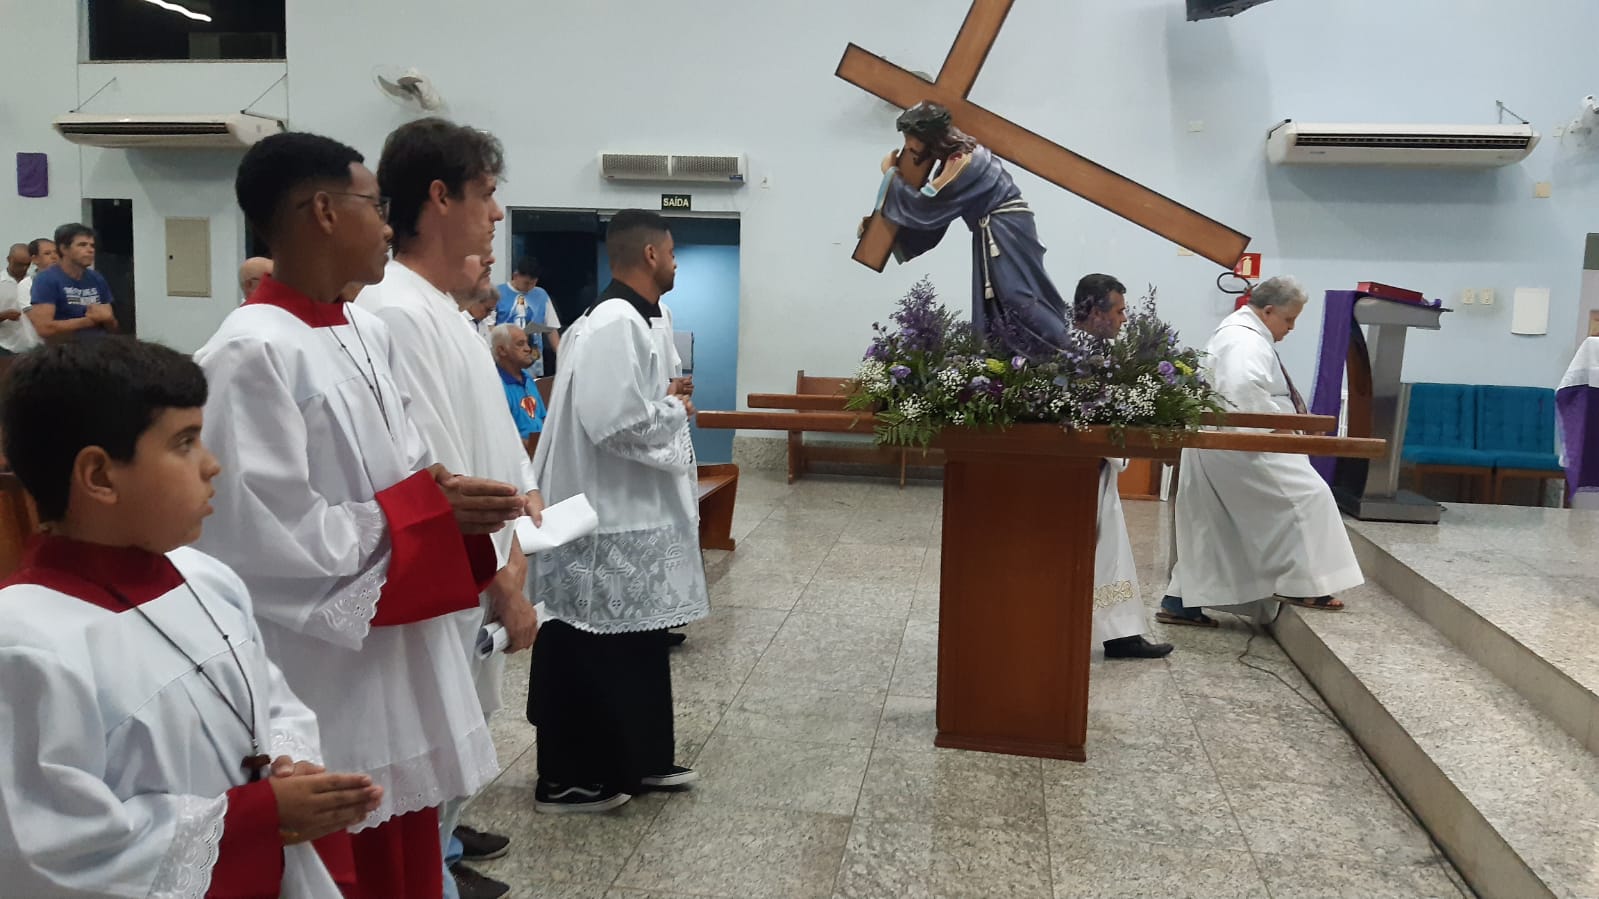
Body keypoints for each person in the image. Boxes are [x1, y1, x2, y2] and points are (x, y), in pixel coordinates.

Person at [194, 130, 527, 899]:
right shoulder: (250, 351)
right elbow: (262, 536)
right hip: (324, 676)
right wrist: (425, 512)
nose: (387, 225)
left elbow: (407, 465)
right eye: (375, 206)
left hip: (394, 660)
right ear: (322, 212)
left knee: (409, 857)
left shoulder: (363, 330)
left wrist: (447, 497)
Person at [0, 338, 384, 897]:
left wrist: (288, 761)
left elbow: (271, 702)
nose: (211, 464)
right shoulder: (24, 643)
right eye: (184, 442)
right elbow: (46, 852)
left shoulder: (205, 577)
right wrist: (255, 815)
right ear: (99, 476)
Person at [357, 116, 541, 899]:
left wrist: (518, 537)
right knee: (433, 745)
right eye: (486, 193)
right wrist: (503, 579)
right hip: (454, 574)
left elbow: (484, 435)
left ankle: (439, 860)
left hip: (483, 566)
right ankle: (430, 870)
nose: (496, 213)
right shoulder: (396, 310)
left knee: (456, 740)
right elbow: (435, 473)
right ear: (439, 196)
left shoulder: (438, 307)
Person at [528, 209, 708, 812]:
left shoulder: (645, 316)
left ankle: (640, 757)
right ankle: (568, 777)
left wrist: (668, 399)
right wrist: (675, 410)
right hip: (603, 512)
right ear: (651, 254)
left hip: (635, 508)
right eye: (673, 252)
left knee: (638, 641)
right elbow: (615, 421)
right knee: (590, 643)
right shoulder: (611, 322)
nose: (676, 263)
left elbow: (642, 397)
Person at [1159, 276, 1363, 626]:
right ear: (1268, 311)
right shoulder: (1243, 339)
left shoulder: (1242, 333)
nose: (1291, 328)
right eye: (1288, 319)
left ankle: (1180, 602)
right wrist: (1280, 430)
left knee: (1215, 527)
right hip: (1243, 444)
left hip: (1226, 444)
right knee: (1308, 498)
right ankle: (1302, 585)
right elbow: (1241, 391)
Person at [869, 101, 1070, 358]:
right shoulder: (952, 161)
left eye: (910, 138)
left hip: (1005, 229)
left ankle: (1064, 350)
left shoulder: (963, 161)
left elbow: (928, 205)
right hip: (994, 229)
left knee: (1017, 296)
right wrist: (889, 230)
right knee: (999, 300)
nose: (907, 146)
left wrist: (890, 175)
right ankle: (1013, 360)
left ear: (929, 136)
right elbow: (937, 215)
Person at [1072, 274, 1173, 659]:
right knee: (1106, 557)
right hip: (1082, 473)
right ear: (1096, 312)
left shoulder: (1098, 350)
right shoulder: (1076, 354)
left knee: (1111, 557)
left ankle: (1120, 634)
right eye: (1119, 310)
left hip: (1095, 472)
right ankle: (1118, 635)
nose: (1125, 318)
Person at [27, 223, 118, 343]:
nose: (90, 250)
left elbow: (113, 328)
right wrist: (90, 321)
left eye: (92, 245)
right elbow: (44, 328)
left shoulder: (96, 278)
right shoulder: (46, 279)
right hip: (67, 350)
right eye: (82, 245)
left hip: (99, 348)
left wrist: (109, 319)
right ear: (64, 249)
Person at [496, 255, 561, 375]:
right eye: (526, 283)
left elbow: (551, 329)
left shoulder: (541, 295)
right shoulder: (498, 293)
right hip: (505, 360)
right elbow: (489, 327)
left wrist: (561, 355)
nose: (529, 287)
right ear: (516, 276)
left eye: (533, 283)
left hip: (533, 361)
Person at [492, 323, 548, 452]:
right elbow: (500, 434)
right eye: (520, 344)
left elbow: (542, 418)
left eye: (527, 343)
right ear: (502, 350)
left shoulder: (528, 379)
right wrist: (534, 448)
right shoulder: (496, 385)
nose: (528, 349)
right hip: (517, 455)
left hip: (539, 451)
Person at [0, 244, 41, 354]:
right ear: (9, 259)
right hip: (5, 346)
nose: (23, 268)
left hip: (34, 346)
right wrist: (3, 316)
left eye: (27, 265)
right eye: (19, 264)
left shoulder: (35, 283)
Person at [18, 237, 58, 305]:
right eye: (47, 253)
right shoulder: (26, 284)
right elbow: (31, 311)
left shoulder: (69, 280)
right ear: (35, 259)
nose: (54, 256)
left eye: (56, 252)